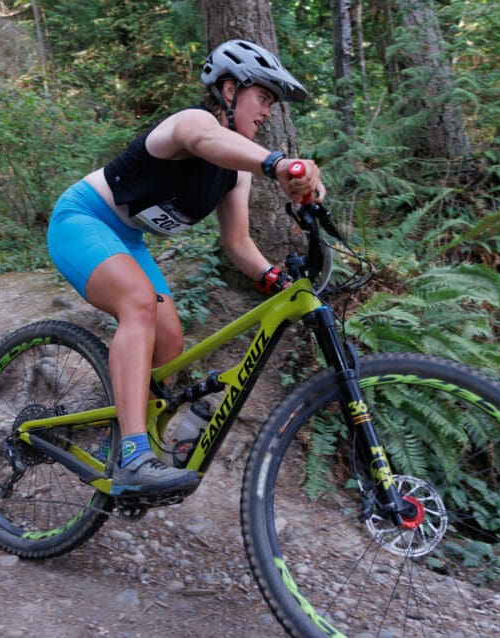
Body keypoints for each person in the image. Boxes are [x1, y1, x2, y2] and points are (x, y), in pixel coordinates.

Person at [47, 39, 322, 496]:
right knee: (139, 304)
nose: (268, 112)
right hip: (82, 218)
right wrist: (278, 163)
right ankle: (135, 455)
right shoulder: (193, 122)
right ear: (230, 90)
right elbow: (205, 141)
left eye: (272, 103)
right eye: (264, 98)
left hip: (127, 239)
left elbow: (237, 242)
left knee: (170, 340)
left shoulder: (235, 174)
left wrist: (275, 279)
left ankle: (132, 443)